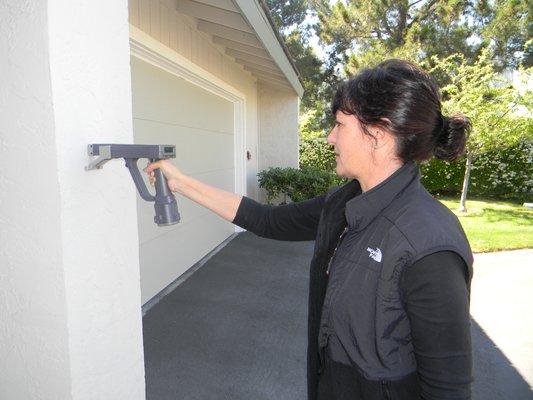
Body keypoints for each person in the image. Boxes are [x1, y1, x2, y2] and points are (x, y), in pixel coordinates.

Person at [144, 59, 474, 400]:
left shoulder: (429, 245)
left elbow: (448, 387)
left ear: (377, 134)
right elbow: (267, 220)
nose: (331, 138)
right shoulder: (345, 202)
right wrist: (181, 184)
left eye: (340, 125)